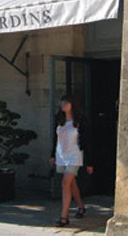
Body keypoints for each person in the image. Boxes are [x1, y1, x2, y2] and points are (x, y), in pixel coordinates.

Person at [49, 93, 94, 227]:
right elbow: (55, 139)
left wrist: (90, 162)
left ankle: (64, 217)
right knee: (71, 184)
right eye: (62, 102)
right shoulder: (59, 120)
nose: (63, 105)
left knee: (65, 183)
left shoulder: (80, 121)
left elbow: (87, 142)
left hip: (75, 155)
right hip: (61, 155)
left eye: (66, 102)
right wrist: (52, 154)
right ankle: (81, 207)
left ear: (72, 104)